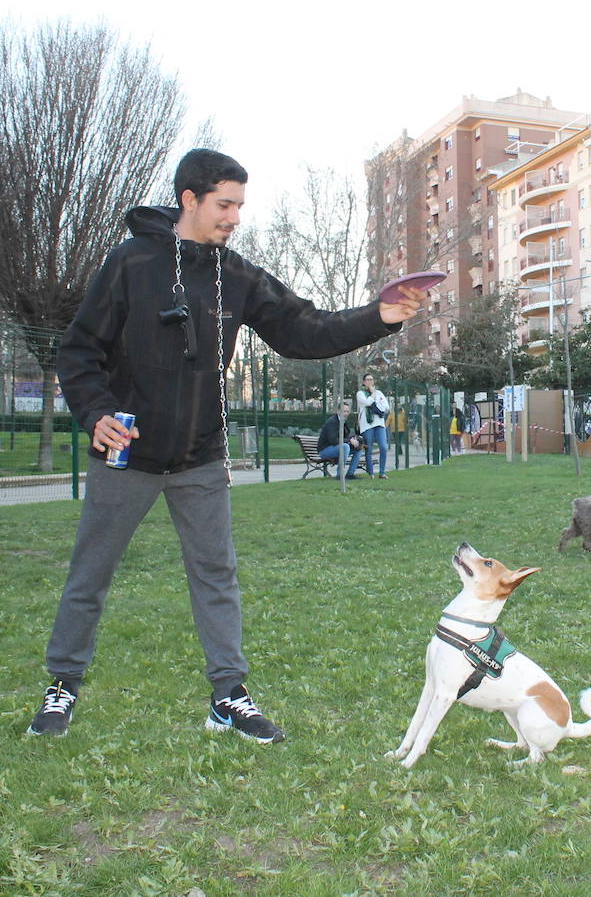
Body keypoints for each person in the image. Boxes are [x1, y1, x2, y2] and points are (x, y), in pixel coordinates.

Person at [28, 148, 423, 741]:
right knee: (91, 572)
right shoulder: (131, 263)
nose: (235, 216)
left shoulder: (235, 275)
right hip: (127, 452)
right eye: (225, 204)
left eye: (240, 205)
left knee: (217, 576)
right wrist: (97, 413)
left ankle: (228, 697)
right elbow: (79, 351)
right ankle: (62, 685)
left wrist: (380, 316)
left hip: (200, 458)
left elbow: (304, 331)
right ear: (189, 199)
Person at [317, 400, 362, 479]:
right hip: (324, 451)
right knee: (345, 447)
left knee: (358, 448)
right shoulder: (332, 422)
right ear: (338, 411)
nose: (346, 413)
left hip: (336, 448)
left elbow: (347, 435)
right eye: (344, 411)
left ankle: (350, 474)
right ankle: (339, 475)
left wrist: (354, 439)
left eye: (347, 411)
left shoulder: (343, 422)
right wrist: (349, 440)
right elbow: (333, 440)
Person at [356, 372, 390, 478]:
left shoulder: (379, 393)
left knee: (383, 447)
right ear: (364, 382)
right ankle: (371, 473)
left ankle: (382, 472)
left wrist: (376, 404)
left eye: (371, 379)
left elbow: (386, 407)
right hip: (367, 425)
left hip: (379, 423)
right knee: (369, 449)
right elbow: (367, 403)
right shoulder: (360, 393)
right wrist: (373, 395)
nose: (370, 381)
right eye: (367, 380)